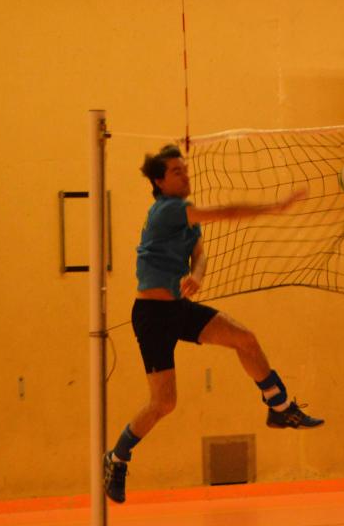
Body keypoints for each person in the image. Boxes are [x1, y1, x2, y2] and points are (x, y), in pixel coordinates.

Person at [103, 143, 324, 504]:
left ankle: (280, 407)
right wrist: (275, 207)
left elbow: (200, 254)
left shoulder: (185, 218)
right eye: (177, 171)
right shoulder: (168, 210)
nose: (185, 175)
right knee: (163, 403)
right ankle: (117, 457)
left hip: (179, 308)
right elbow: (227, 212)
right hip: (152, 316)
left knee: (245, 339)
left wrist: (197, 276)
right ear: (159, 181)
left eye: (185, 169)